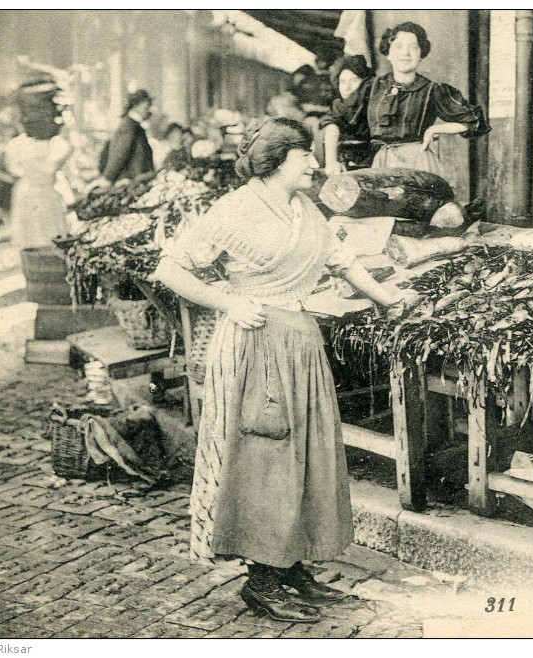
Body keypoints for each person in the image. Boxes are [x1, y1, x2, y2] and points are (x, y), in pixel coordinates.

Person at [153, 118, 408, 624]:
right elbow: (170, 268)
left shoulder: (302, 207)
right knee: (262, 458)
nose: (314, 164)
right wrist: (228, 302)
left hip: (300, 341)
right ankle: (262, 578)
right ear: (275, 161)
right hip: (255, 342)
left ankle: (292, 570)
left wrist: (391, 298)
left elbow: (342, 260)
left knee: (306, 455)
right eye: (304, 156)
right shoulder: (235, 210)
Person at [319, 21, 489, 184]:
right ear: (388, 52)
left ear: (421, 54)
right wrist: (331, 160)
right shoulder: (371, 87)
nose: (405, 53)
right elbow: (335, 119)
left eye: (413, 47)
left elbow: (474, 120)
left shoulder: (432, 90)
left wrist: (434, 129)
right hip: (381, 164)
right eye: (398, 46)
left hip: (419, 165)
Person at [2, 76, 73, 250]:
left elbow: (15, 169)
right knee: (48, 246)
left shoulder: (16, 145)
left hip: (29, 197)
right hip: (43, 198)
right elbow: (48, 169)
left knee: (34, 247)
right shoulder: (58, 145)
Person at [320, 54, 375, 171]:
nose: (347, 87)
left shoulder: (373, 103)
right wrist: (331, 162)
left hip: (372, 160)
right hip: (347, 162)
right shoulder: (338, 105)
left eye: (354, 80)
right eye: (342, 82)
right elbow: (331, 126)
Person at [94, 89, 155, 186]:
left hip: (136, 181)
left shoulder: (135, 126)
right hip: (130, 182)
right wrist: (108, 177)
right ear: (135, 105)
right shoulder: (129, 125)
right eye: (145, 107)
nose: (147, 111)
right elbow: (120, 152)